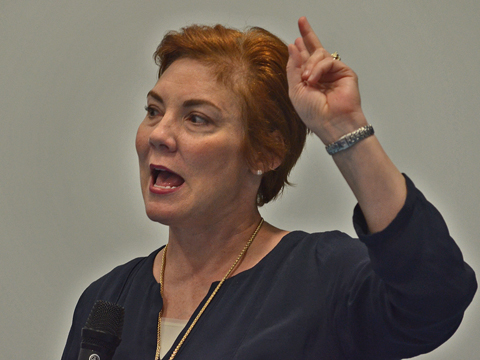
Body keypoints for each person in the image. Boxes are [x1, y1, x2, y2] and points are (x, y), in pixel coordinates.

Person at [61, 17, 476, 360]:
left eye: (197, 119)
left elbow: (434, 300)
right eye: (154, 111)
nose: (160, 134)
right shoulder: (107, 299)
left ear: (265, 153)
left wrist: (343, 128)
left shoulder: (322, 279)